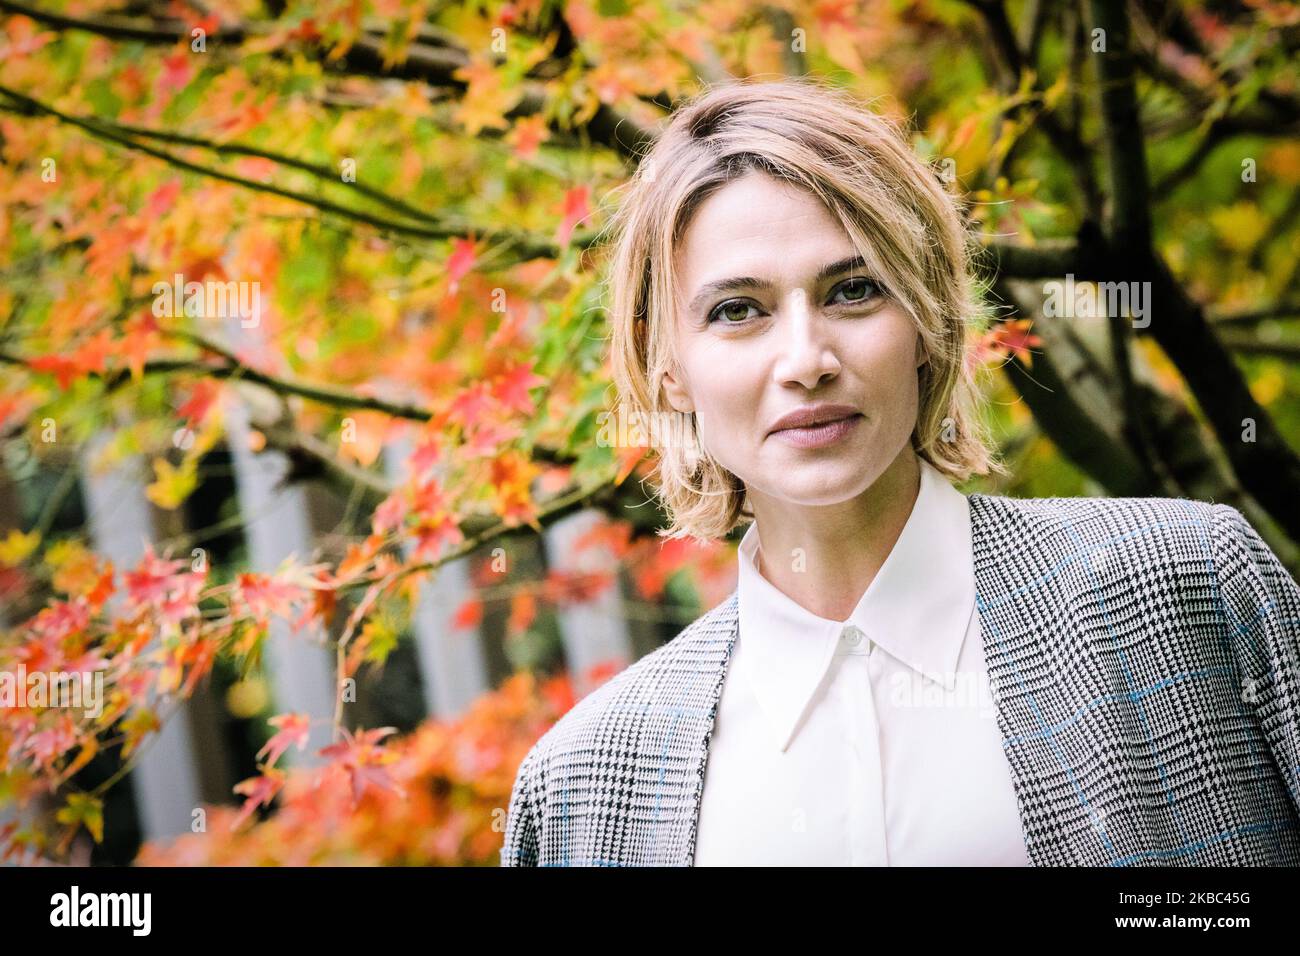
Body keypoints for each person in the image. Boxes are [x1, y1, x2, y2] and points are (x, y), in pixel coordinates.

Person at [500, 75, 1300, 867]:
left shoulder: (1187, 588)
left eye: (853, 291)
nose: (806, 361)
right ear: (667, 365)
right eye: (737, 310)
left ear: (925, 319)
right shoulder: (581, 789)